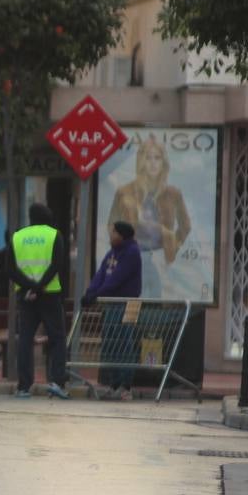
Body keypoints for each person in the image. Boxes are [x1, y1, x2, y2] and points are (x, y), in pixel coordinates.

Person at [106, 137, 190, 298]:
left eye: (157, 158)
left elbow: (185, 226)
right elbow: (111, 224)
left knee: (157, 304)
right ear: (141, 161)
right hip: (132, 255)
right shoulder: (124, 191)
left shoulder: (174, 194)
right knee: (132, 303)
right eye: (148, 157)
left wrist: (172, 247)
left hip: (159, 257)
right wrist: (121, 250)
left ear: (163, 162)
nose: (152, 163)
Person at [7, 203, 70, 399]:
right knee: (57, 338)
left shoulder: (17, 236)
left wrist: (28, 287)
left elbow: (10, 270)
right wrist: (39, 286)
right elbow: (57, 265)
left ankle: (24, 386)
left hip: (26, 297)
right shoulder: (54, 235)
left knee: (25, 339)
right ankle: (57, 382)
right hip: (49, 294)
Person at [81, 221, 143, 399]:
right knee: (111, 343)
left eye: (114, 232)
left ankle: (125, 386)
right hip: (112, 304)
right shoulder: (112, 253)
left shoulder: (132, 252)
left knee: (124, 343)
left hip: (127, 303)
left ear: (122, 235)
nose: (111, 235)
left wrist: (97, 294)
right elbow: (102, 274)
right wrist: (90, 292)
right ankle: (114, 383)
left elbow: (117, 278)